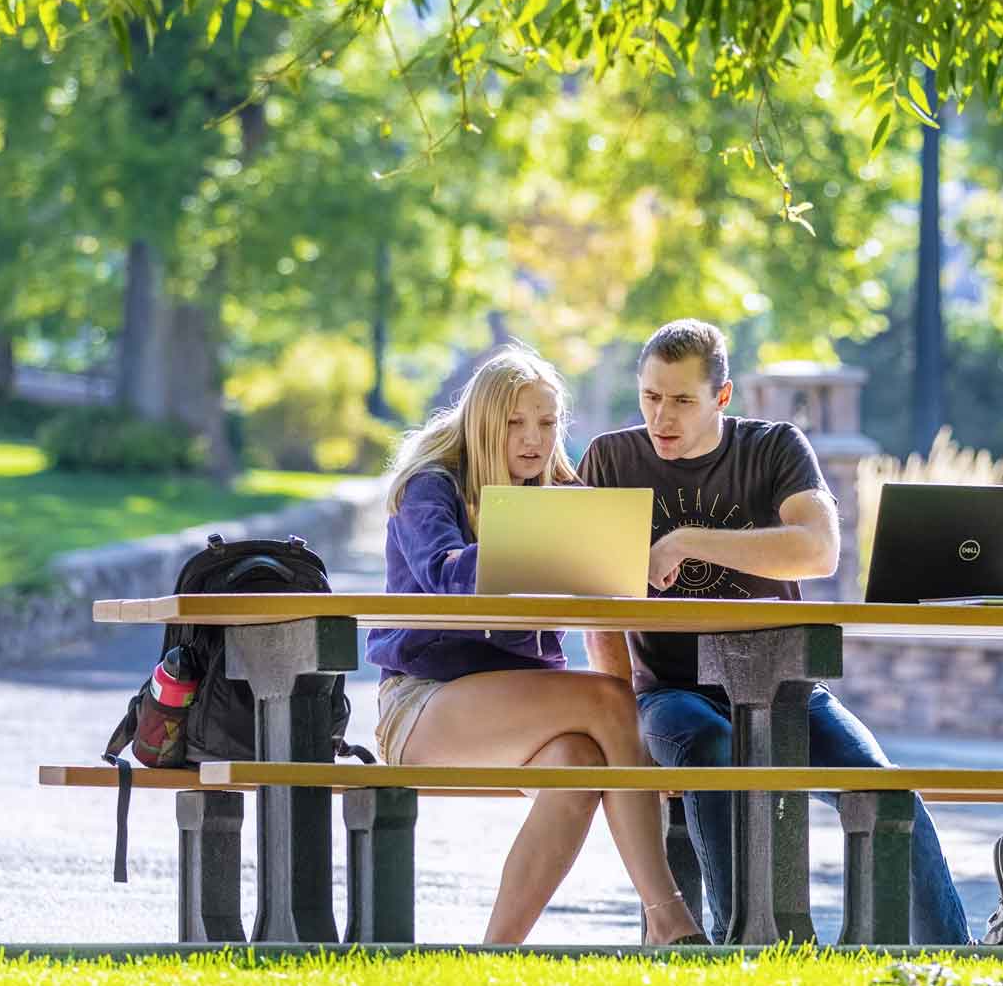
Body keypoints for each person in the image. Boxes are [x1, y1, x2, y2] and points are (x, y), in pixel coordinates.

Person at [580, 319, 972, 943]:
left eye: (683, 400)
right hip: (671, 694)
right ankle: (751, 943)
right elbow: (596, 602)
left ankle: (955, 955)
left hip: (789, 691)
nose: (663, 418)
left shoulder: (774, 447)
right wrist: (618, 716)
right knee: (708, 745)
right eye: (651, 397)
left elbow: (819, 551)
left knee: (883, 785)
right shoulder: (610, 458)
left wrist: (684, 541)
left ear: (723, 398)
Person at [365, 346, 705, 946]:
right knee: (607, 702)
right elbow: (446, 574)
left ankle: (495, 953)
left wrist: (634, 555)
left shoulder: (556, 491)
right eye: (516, 423)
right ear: (482, 424)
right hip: (422, 706)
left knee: (580, 761)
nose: (533, 439)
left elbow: (608, 599)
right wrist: (537, 535)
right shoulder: (431, 487)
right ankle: (669, 919)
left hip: (517, 716)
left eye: (547, 423)